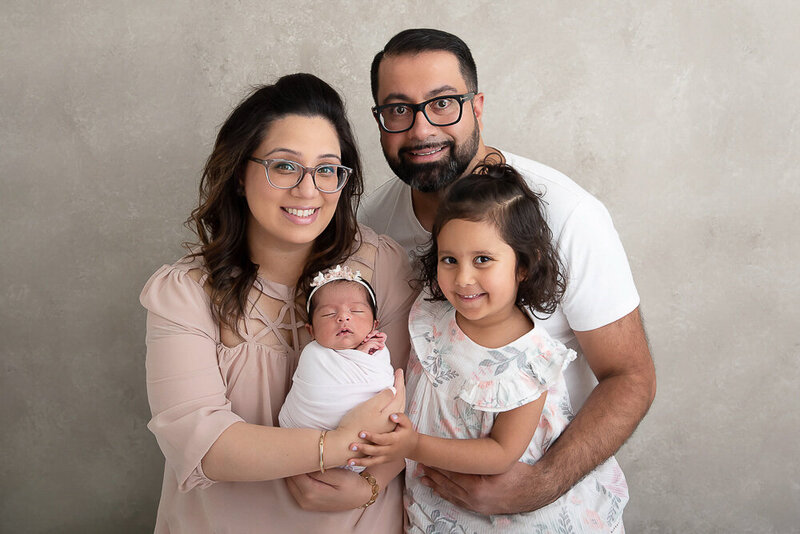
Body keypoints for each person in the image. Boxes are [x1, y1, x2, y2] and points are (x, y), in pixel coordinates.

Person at [359, 28, 656, 516]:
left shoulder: (566, 214)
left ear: (477, 107)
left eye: (442, 103)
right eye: (397, 109)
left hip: (546, 509)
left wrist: (541, 484)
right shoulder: (374, 228)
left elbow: (630, 376)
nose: (420, 129)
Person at [140, 73, 415, 533]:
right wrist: (336, 444)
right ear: (239, 175)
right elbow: (202, 445)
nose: (308, 190)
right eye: (284, 166)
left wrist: (372, 483)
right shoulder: (184, 292)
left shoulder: (381, 265)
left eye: (327, 169)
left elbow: (422, 407)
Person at [351, 165, 628, 533]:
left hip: (510, 517)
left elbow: (500, 453)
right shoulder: (431, 316)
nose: (463, 278)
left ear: (523, 266)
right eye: (450, 260)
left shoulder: (530, 361)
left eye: (482, 259)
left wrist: (413, 445)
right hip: (437, 502)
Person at [279, 265, 395, 475]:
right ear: (311, 331)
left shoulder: (378, 352)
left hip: (362, 450)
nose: (343, 317)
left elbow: (381, 386)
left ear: (374, 325)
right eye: (329, 313)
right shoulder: (313, 355)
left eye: (356, 311)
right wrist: (358, 356)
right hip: (302, 444)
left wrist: (363, 356)